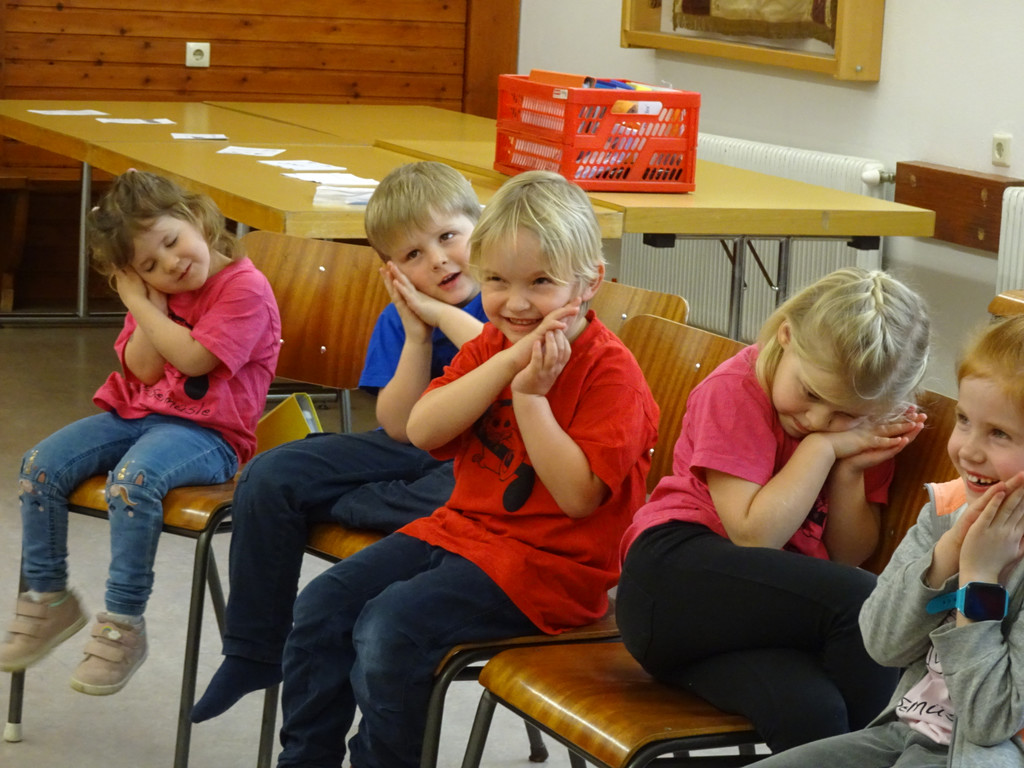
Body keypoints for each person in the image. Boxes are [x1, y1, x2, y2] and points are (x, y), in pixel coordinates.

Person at [274, 169, 659, 768]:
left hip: (549, 572)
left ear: (589, 282)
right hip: (461, 534)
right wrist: (507, 365)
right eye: (498, 281)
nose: (517, 303)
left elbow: (578, 497)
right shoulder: (494, 345)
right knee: (323, 605)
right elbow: (423, 430)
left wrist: (530, 397)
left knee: (388, 629)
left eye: (541, 282)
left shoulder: (613, 376)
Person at [191, 161, 487, 722]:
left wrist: (439, 313)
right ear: (392, 271)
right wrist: (418, 335)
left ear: (481, 229)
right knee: (272, 474)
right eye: (413, 255)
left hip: (481, 462)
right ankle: (253, 651)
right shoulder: (401, 319)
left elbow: (499, 358)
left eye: (449, 237)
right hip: (412, 448)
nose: (438, 260)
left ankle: (353, 504)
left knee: (458, 498)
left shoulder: (507, 300)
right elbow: (399, 427)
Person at [616, 267, 932, 753]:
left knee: (814, 714)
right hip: (671, 579)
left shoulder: (861, 428)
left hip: (748, 630)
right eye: (811, 393)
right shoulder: (736, 389)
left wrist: (848, 472)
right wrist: (824, 449)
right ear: (785, 336)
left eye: (846, 414)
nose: (818, 419)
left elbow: (848, 554)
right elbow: (754, 534)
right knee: (866, 601)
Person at [0, 170, 281, 696]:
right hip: (138, 415)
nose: (170, 265)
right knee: (39, 466)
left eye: (172, 242)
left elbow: (194, 358)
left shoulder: (244, 287)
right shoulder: (155, 296)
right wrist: (146, 303)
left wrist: (140, 300)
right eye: (149, 266)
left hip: (212, 436)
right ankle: (49, 598)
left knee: (133, 481)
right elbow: (146, 369)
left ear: (196, 217)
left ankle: (123, 623)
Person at [752, 314, 1024, 768]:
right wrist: (944, 558)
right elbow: (882, 644)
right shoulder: (946, 511)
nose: (968, 450)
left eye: (999, 433)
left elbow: (988, 720)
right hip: (903, 735)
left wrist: (979, 576)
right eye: (963, 420)